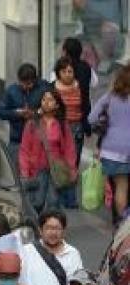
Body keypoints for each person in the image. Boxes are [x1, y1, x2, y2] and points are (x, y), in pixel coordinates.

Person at [19, 88, 77, 215]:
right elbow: (24, 149)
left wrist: (71, 169)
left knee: (53, 201)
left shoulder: (62, 125)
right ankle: (37, 226)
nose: (46, 102)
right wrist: (25, 170)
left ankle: (52, 229)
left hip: (55, 169)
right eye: (44, 99)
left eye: (50, 100)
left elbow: (69, 149)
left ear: (57, 104)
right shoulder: (32, 124)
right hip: (37, 169)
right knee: (37, 202)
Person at [89, 64, 130, 222]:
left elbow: (91, 118)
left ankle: (121, 223)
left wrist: (105, 120)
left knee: (120, 186)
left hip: (111, 149)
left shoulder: (110, 97)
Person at [0, 63, 50, 173]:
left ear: (35, 80)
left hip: (38, 141)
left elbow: (51, 108)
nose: (25, 86)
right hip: (17, 140)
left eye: (29, 84)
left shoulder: (44, 89)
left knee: (37, 174)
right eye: (22, 83)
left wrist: (36, 113)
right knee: (14, 174)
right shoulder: (12, 91)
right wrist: (16, 113)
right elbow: (0, 112)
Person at [53, 57, 85, 209]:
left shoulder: (79, 87)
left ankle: (71, 199)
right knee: (59, 163)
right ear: (58, 73)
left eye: (70, 71)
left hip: (76, 128)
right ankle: (59, 195)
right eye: (64, 71)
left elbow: (85, 106)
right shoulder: (53, 88)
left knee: (73, 163)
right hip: (59, 128)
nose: (68, 74)